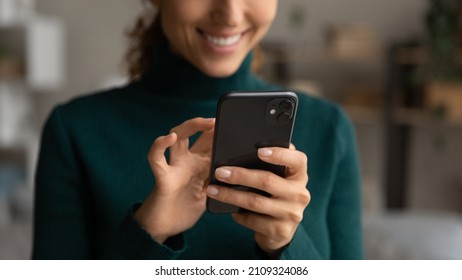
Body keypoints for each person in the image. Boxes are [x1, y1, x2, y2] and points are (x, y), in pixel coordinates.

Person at [32, 0, 363, 260]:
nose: (230, 14)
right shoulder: (75, 130)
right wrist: (148, 232)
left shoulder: (330, 129)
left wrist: (286, 246)